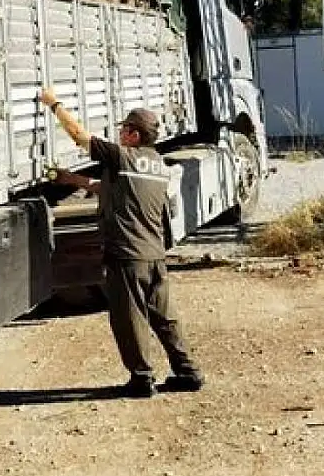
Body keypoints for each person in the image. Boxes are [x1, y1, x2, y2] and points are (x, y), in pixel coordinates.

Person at [39, 87, 205, 398]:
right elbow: (111, 188)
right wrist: (70, 180)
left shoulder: (121, 156)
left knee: (129, 319)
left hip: (127, 256)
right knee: (164, 317)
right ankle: (188, 371)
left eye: (124, 129)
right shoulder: (157, 164)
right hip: (155, 257)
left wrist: (54, 104)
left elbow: (79, 136)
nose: (119, 133)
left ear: (135, 135)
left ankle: (141, 379)